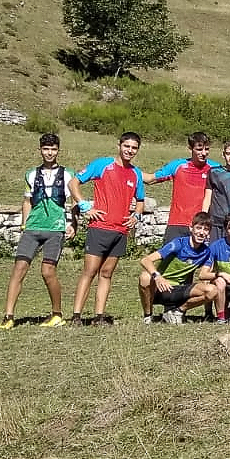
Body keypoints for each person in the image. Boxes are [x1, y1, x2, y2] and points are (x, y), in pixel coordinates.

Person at [1, 133, 83, 328]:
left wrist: (73, 224)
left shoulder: (68, 174)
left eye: (53, 149)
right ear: (40, 150)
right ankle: (8, 316)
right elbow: (27, 201)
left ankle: (56, 314)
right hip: (32, 228)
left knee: (47, 272)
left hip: (55, 229)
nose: (49, 153)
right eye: (46, 149)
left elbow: (74, 203)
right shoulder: (31, 174)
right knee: (19, 269)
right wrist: (24, 224)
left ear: (58, 151)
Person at [70, 132, 145, 326]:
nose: (129, 150)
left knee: (107, 273)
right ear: (119, 145)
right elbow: (73, 183)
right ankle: (76, 316)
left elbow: (141, 200)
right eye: (126, 146)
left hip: (120, 231)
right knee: (89, 271)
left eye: (134, 148)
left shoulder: (136, 173)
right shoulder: (102, 164)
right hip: (100, 228)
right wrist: (85, 206)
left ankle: (99, 316)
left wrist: (136, 216)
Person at [138, 211, 218, 324]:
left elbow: (203, 275)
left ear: (209, 233)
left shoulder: (206, 252)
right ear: (191, 228)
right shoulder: (178, 244)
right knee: (145, 277)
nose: (201, 233)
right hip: (159, 288)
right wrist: (158, 277)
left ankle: (178, 311)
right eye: (198, 228)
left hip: (178, 291)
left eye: (205, 230)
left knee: (212, 290)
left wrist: (220, 275)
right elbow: (145, 260)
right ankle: (148, 316)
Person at [149, 131, 218, 244]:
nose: (204, 153)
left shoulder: (215, 169)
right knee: (168, 260)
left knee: (200, 261)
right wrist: (128, 167)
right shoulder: (178, 165)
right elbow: (150, 179)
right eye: (199, 149)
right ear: (190, 148)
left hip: (202, 225)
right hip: (177, 223)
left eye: (207, 149)